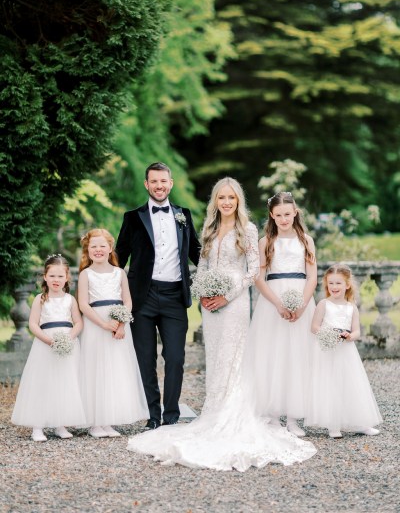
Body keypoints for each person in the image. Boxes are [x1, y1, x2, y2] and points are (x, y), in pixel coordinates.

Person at [126, 178, 316, 471]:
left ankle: (233, 413)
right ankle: (213, 411)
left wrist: (226, 295)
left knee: (233, 357)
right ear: (215, 201)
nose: (226, 202)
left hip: (235, 301)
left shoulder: (249, 230)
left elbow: (253, 270)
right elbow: (201, 264)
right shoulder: (210, 228)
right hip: (209, 303)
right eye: (222, 197)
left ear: (238, 201)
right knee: (215, 358)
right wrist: (202, 290)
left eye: (231, 198)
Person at [115, 162, 201, 429]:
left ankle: (171, 414)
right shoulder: (133, 217)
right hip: (142, 296)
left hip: (175, 295)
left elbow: (196, 253)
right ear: (147, 184)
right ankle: (153, 415)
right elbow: (119, 257)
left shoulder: (184, 215)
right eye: (154, 181)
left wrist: (218, 276)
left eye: (163, 181)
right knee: (145, 357)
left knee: (175, 357)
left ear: (170, 183)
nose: (159, 186)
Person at [243, 191, 317, 437]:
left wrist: (303, 304)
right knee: (273, 354)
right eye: (278, 215)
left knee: (298, 355)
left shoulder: (306, 240)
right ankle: (273, 414)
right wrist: (277, 303)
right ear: (271, 216)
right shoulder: (266, 242)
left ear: (295, 212)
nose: (284, 219)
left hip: (301, 297)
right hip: (273, 301)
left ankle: (294, 418)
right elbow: (258, 278)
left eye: (288, 214)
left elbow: (312, 276)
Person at [78, 228, 149, 438]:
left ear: (110, 248)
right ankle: (94, 422)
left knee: (114, 369)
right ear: (88, 250)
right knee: (95, 369)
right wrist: (102, 323)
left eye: (102, 246)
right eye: (94, 247)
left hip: (117, 327)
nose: (98, 250)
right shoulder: (86, 274)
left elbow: (127, 301)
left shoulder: (119, 273)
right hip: (95, 326)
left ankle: (108, 420)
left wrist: (121, 324)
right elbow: (83, 304)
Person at [12, 254, 86, 442]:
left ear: (67, 278)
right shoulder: (40, 299)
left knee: (64, 382)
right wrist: (48, 340)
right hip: (45, 345)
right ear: (45, 276)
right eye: (52, 275)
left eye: (60, 276)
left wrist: (68, 338)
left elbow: (78, 323)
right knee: (43, 383)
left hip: (67, 346)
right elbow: (33, 324)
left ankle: (60, 423)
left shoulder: (70, 299)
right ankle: (38, 426)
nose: (56, 280)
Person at [305, 263, 382, 438]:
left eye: (338, 283)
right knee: (330, 384)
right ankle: (333, 425)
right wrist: (328, 334)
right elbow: (314, 327)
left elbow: (357, 331)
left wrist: (349, 336)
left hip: (346, 352)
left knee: (351, 384)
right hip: (327, 351)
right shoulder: (323, 304)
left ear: (347, 285)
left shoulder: (351, 307)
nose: (334, 287)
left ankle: (360, 423)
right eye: (330, 283)